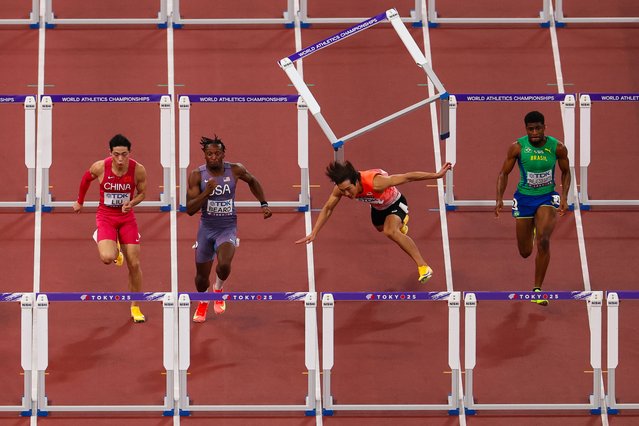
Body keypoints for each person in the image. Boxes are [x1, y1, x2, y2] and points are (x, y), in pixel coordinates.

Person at [296, 160, 452, 283]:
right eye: (342, 190)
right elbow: (328, 208)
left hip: (396, 204)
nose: (346, 193)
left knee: (390, 231)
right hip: (377, 208)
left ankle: (423, 266)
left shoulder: (376, 183)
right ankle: (401, 225)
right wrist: (314, 232)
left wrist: (436, 175)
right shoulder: (341, 188)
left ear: (356, 181)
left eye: (348, 189)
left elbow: (407, 177)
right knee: (380, 228)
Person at [187, 134, 272, 322]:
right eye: (210, 154)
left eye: (217, 153)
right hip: (206, 228)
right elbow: (190, 209)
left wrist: (263, 204)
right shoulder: (196, 175)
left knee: (224, 265)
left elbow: (253, 181)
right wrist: (206, 194)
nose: (214, 157)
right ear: (204, 155)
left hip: (227, 227)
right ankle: (203, 301)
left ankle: (218, 290)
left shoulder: (235, 170)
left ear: (223, 153)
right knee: (201, 278)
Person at [495, 111, 571, 305]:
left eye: (538, 128)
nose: (535, 132)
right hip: (524, 199)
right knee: (525, 252)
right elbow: (504, 173)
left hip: (547, 197)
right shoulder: (518, 148)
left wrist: (564, 196)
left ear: (545, 127)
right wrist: (499, 198)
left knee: (544, 241)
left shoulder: (558, 147)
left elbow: (566, 172)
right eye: (531, 129)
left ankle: (537, 289)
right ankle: (535, 224)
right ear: (526, 129)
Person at [73, 134, 148, 322]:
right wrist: (79, 201)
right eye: (116, 155)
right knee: (107, 258)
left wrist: (132, 203)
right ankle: (111, 247)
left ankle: (136, 305)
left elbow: (143, 193)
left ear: (130, 153)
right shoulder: (100, 167)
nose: (121, 159)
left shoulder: (138, 170)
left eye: (124, 154)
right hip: (106, 217)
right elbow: (85, 180)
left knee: (135, 264)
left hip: (126, 218)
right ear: (110, 153)